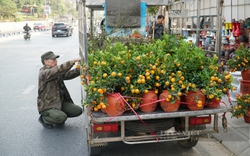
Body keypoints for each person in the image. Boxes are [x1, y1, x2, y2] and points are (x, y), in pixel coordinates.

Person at [37, 51, 83, 129]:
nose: (56, 61)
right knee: (61, 117)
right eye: (53, 59)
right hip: (48, 105)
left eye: (56, 59)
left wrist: (80, 69)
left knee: (78, 111)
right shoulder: (44, 73)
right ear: (46, 61)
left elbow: (68, 74)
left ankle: (57, 114)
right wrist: (72, 61)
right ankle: (44, 118)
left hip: (59, 102)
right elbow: (57, 70)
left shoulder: (54, 71)